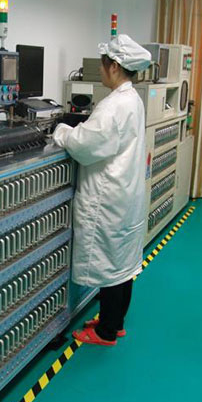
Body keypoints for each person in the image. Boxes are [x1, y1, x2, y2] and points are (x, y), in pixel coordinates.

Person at [53, 34, 151, 346]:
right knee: (122, 264)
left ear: (114, 66)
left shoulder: (113, 106)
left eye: (103, 64)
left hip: (108, 198)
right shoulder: (132, 99)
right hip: (125, 194)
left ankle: (106, 332)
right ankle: (115, 322)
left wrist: (62, 131)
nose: (101, 69)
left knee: (111, 265)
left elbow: (85, 145)